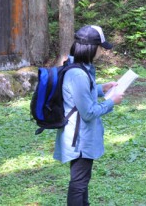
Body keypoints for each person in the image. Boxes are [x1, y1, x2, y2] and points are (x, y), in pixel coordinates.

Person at [54, 25, 124, 206]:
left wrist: (102, 88)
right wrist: (111, 102)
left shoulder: (80, 67)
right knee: (79, 183)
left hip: (79, 135)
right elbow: (88, 112)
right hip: (79, 139)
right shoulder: (78, 73)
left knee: (81, 181)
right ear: (92, 48)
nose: (102, 52)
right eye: (101, 47)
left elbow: (82, 95)